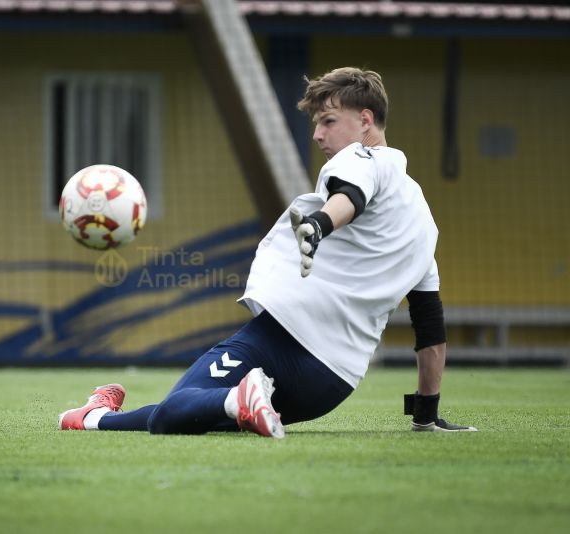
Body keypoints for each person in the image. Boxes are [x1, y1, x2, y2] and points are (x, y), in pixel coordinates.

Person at [58, 67, 476, 438]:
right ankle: (95, 417)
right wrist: (426, 414)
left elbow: (350, 195)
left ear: (365, 121)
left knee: (175, 410)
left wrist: (319, 224)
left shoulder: (368, 159)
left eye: (328, 121)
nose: (317, 134)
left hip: (281, 341)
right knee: (199, 413)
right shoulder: (424, 226)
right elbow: (430, 328)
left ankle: (226, 400)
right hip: (330, 384)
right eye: (316, 123)